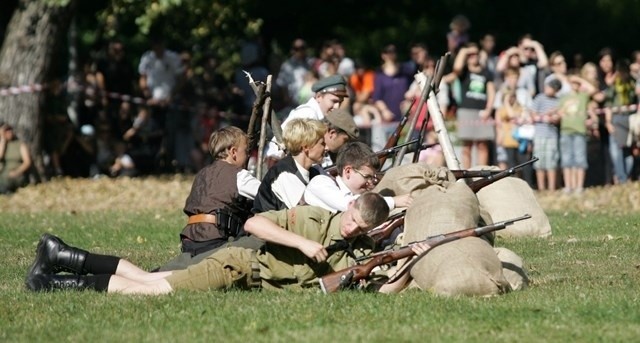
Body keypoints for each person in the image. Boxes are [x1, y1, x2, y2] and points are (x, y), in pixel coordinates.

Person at [25, 192, 427, 294]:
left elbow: (381, 288)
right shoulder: (313, 219)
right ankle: (54, 284)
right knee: (153, 292)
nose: (351, 229)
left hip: (246, 276)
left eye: (360, 229)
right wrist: (303, 245)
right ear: (351, 206)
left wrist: (414, 260)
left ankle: (62, 255)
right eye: (353, 219)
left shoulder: (357, 251)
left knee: (148, 278)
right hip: (237, 263)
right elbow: (254, 223)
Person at [304, 141, 412, 213]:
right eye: (367, 177)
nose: (370, 183)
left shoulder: (356, 195)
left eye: (372, 177)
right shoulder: (320, 183)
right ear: (348, 171)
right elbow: (349, 205)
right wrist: (394, 201)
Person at [265, 74, 349, 161]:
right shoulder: (308, 114)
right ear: (319, 96)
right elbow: (279, 149)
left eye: (340, 102)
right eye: (334, 101)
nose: (337, 107)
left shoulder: (317, 116)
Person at [253, 119, 326, 213]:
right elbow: (307, 212)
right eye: (322, 143)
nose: (326, 147)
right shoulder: (284, 174)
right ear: (306, 147)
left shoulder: (314, 172)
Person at [447, 43, 496, 168]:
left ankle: (482, 175)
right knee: (466, 146)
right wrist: (465, 51)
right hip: (466, 111)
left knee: (482, 145)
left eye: (476, 54)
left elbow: (491, 92)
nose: (474, 56)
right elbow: (456, 68)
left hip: (482, 111)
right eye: (471, 55)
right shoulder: (464, 71)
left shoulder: (486, 72)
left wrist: (488, 110)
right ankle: (467, 175)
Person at [557, 75, 597, 194]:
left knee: (580, 160)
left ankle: (579, 187)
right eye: (572, 83)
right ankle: (569, 186)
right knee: (566, 160)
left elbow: (593, 90)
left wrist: (579, 79)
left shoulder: (583, 96)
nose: (574, 84)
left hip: (579, 131)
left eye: (576, 83)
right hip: (566, 131)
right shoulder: (563, 98)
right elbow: (559, 112)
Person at [530, 78, 562, 191]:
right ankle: (541, 188)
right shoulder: (539, 98)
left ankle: (552, 188)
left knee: (551, 162)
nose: (547, 89)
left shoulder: (558, 101)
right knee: (539, 162)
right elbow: (533, 115)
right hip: (539, 134)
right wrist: (546, 116)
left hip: (552, 135)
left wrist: (555, 118)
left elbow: (559, 117)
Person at [0, 124, 31, 194]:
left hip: (16, 173)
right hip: (4, 174)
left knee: (5, 183)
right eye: (6, 131)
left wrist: (17, 172)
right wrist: (3, 139)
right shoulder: (2, 145)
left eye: (10, 130)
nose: (9, 132)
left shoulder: (20, 144)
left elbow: (27, 162)